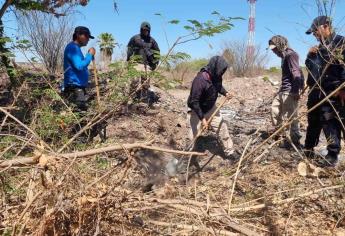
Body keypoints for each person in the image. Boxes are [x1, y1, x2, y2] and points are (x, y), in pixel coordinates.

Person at [305, 16, 345, 166]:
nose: (315, 35)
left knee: (339, 122)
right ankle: (331, 154)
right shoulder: (319, 48)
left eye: (316, 31)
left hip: (338, 92)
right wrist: (310, 56)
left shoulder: (341, 43)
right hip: (321, 93)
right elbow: (312, 70)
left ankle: (333, 154)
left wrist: (343, 89)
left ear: (326, 26)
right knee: (327, 122)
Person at [187, 56, 233, 156]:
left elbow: (218, 87)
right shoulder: (200, 80)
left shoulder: (217, 76)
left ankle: (229, 151)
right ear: (214, 67)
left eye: (223, 70)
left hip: (210, 108)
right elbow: (194, 101)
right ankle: (188, 156)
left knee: (222, 127)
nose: (222, 72)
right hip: (196, 110)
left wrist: (225, 93)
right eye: (221, 70)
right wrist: (202, 119)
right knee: (193, 135)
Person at [267, 35, 304, 148]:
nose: (274, 52)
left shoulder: (291, 55)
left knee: (291, 117)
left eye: (275, 49)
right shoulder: (284, 57)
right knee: (275, 110)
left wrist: (296, 91)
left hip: (290, 91)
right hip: (283, 90)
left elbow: (296, 73)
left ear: (280, 45)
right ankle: (281, 135)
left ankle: (293, 141)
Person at [63, 26, 96, 111]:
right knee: (80, 116)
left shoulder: (76, 48)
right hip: (74, 88)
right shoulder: (72, 48)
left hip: (78, 87)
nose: (88, 39)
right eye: (86, 36)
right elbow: (80, 66)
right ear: (78, 35)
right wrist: (90, 55)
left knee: (81, 115)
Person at [127, 22, 160, 103]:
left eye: (147, 30)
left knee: (145, 84)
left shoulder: (152, 41)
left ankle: (144, 100)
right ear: (141, 29)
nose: (145, 31)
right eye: (144, 30)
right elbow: (129, 49)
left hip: (147, 65)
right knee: (134, 81)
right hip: (136, 64)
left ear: (149, 31)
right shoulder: (135, 38)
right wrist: (129, 61)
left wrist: (155, 64)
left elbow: (157, 53)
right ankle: (131, 99)